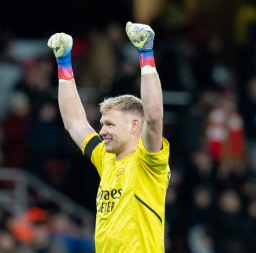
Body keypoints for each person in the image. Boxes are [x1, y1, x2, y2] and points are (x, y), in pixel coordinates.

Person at [47, 21, 170, 252]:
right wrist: (63, 63)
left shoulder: (149, 161)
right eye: (102, 124)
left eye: (109, 124)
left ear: (134, 126)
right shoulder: (106, 158)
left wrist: (146, 54)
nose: (101, 131)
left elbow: (153, 115)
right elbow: (74, 122)